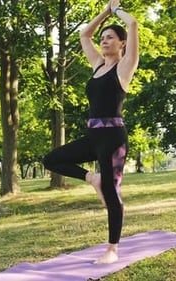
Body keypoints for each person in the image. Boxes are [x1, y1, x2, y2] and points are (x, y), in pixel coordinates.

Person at [42, 0, 139, 264]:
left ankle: (112, 249)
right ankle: (90, 178)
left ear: (122, 43)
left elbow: (132, 24)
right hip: (93, 137)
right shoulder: (97, 65)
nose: (104, 41)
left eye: (110, 38)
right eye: (103, 38)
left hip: (113, 139)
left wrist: (117, 10)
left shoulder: (125, 66)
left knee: (111, 192)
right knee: (51, 160)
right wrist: (105, 12)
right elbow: (85, 34)